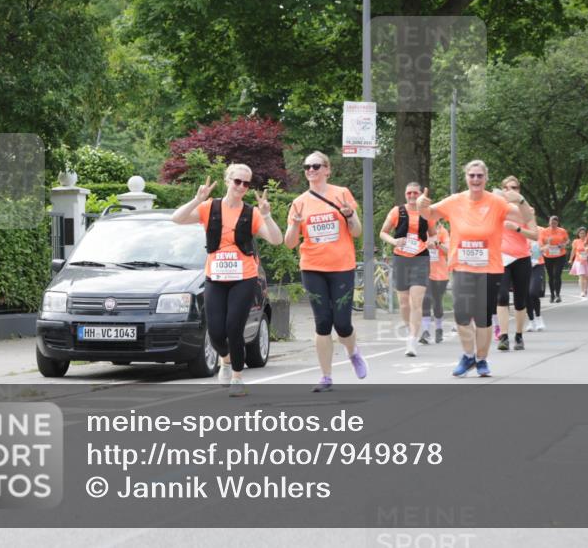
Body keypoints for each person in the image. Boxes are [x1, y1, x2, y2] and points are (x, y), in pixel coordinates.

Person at [171, 164, 283, 397]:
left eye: (246, 183)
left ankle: (237, 377)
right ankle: (225, 360)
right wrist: (196, 199)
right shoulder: (209, 207)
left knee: (234, 328)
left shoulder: (251, 213)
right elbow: (177, 219)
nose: (241, 187)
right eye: (237, 182)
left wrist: (267, 216)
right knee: (215, 332)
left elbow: (276, 240)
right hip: (216, 276)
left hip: (244, 277)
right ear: (227, 181)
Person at [417, 160, 534, 378]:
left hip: (489, 268)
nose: (476, 179)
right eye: (472, 175)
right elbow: (429, 214)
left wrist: (521, 199)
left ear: (486, 179)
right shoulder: (455, 201)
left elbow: (526, 218)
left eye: (480, 176)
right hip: (461, 266)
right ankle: (468, 355)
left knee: (483, 318)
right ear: (466, 178)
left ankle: (481, 360)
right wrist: (421, 204)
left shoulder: (497, 202)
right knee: (462, 315)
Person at [284, 151, 369, 392]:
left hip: (341, 266)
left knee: (342, 323)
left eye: (316, 166)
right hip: (312, 267)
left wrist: (350, 215)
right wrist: (295, 224)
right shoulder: (299, 202)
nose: (311, 170)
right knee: (323, 322)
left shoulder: (341, 194)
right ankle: (326, 376)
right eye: (307, 167)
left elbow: (356, 232)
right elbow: (290, 243)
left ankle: (353, 352)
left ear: (327, 170)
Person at [379, 182, 430, 356]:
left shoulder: (426, 212)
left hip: (420, 257)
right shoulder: (397, 211)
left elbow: (434, 233)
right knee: (403, 302)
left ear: (420, 194)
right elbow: (383, 232)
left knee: (416, 301)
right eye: (409, 193)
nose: (412, 196)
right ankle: (411, 330)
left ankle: (412, 340)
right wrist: (394, 241)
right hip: (401, 257)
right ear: (405, 194)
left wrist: (433, 240)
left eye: (415, 193)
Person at [495, 176, 537, 352]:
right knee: (502, 297)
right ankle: (503, 336)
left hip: (521, 257)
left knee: (520, 300)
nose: (511, 190)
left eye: (515, 187)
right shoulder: (497, 208)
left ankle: (519, 335)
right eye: (508, 187)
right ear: (503, 190)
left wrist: (518, 229)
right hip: (502, 257)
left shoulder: (527, 210)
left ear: (519, 190)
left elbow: (535, 235)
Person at [420, 220, 450, 344]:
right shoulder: (421, 231)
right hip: (425, 272)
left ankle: (439, 329)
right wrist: (426, 245)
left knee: (437, 302)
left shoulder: (442, 231)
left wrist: (438, 243)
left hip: (440, 274)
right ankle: (426, 331)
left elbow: (448, 250)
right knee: (426, 300)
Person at [540, 216, 569, 302]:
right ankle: (552, 295)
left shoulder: (562, 231)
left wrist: (564, 244)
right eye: (552, 223)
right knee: (551, 276)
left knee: (557, 274)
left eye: (555, 223)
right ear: (549, 222)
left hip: (560, 255)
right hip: (548, 256)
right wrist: (547, 242)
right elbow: (541, 242)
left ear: (557, 223)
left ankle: (558, 295)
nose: (553, 224)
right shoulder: (544, 231)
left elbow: (567, 240)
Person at [527, 237, 546, 331]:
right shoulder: (517, 236)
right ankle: (531, 321)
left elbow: (544, 248)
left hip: (537, 266)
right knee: (526, 296)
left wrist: (543, 249)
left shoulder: (537, 234)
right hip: (523, 267)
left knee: (533, 293)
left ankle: (538, 318)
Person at [569, 227, 588, 297]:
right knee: (581, 276)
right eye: (581, 233)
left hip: (587, 260)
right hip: (579, 260)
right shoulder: (576, 241)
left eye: (584, 233)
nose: (582, 235)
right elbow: (573, 251)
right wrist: (570, 259)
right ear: (578, 234)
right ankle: (582, 291)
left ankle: (586, 289)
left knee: (587, 277)